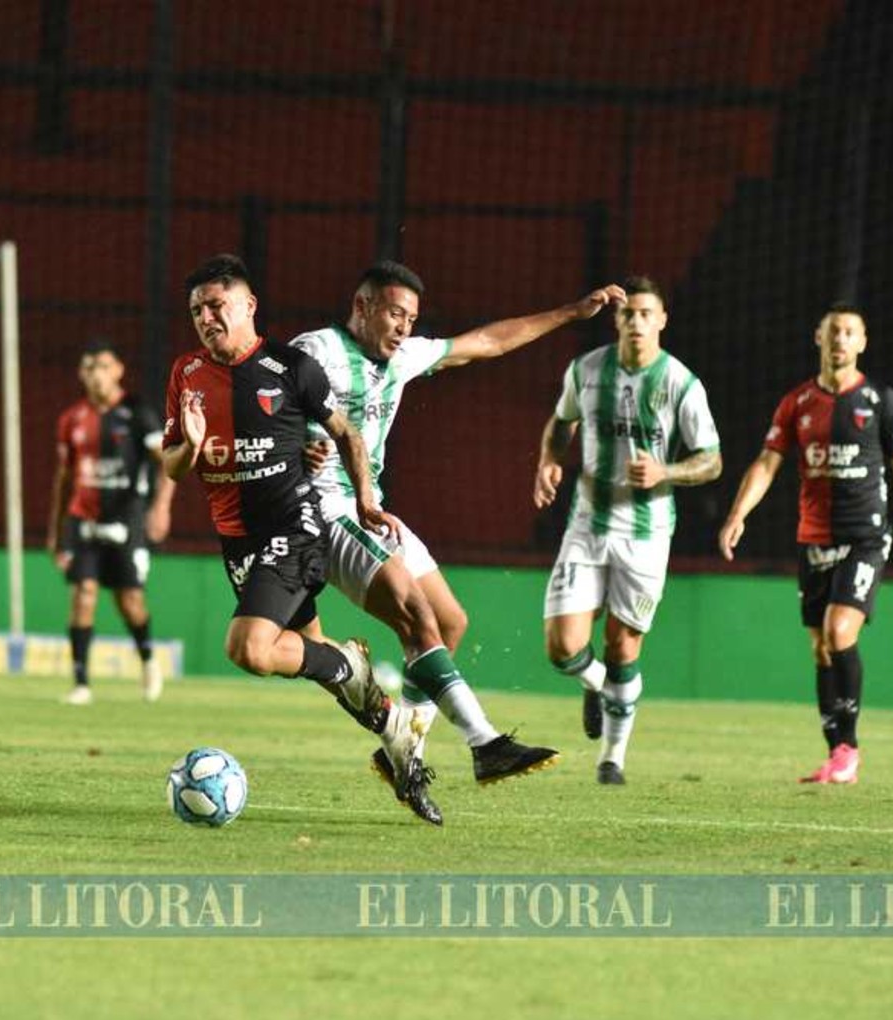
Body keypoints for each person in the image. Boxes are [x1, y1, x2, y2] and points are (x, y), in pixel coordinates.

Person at [292, 261, 625, 795]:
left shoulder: (403, 358)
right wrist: (294, 448)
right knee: (415, 616)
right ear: (362, 307)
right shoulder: (317, 351)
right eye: (395, 313)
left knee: (449, 622)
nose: (404, 326)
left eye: (412, 317)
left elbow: (488, 342)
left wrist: (570, 312)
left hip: (371, 511)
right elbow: (265, 406)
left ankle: (403, 752)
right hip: (323, 511)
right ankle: (485, 743)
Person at [162, 254, 438, 824]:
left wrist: (365, 498)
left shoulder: (291, 368)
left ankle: (356, 671)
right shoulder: (185, 375)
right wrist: (189, 446)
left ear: (248, 306)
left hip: (294, 529)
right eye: (196, 311)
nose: (206, 317)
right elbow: (171, 467)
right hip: (238, 544)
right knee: (324, 667)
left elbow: (347, 433)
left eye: (217, 305)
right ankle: (393, 734)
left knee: (249, 648)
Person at [718, 303, 893, 785]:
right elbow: (767, 462)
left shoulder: (880, 400)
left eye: (849, 332)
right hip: (813, 539)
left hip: (865, 537)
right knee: (820, 648)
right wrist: (738, 514)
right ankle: (837, 752)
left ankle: (849, 749)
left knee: (840, 631)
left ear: (862, 342)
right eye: (832, 331)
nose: (840, 339)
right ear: (818, 338)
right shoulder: (796, 403)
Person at [533, 275, 721, 785]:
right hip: (587, 524)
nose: (636, 321)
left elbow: (711, 461)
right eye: (627, 313)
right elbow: (561, 421)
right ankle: (594, 684)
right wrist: (549, 461)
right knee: (562, 646)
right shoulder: (587, 371)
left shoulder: (681, 383)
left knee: (623, 646)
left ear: (661, 320)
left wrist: (668, 472)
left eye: (645, 313)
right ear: (616, 320)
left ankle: (611, 759)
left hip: (646, 533)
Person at [47, 342, 175, 705]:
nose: (95, 374)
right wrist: (55, 533)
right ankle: (81, 683)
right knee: (83, 594)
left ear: (118, 369)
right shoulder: (71, 418)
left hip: (127, 520)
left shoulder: (137, 414)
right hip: (82, 519)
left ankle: (149, 660)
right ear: (80, 374)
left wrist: (160, 507)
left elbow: (167, 462)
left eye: (102, 366)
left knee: (129, 600)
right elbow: (63, 478)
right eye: (88, 367)